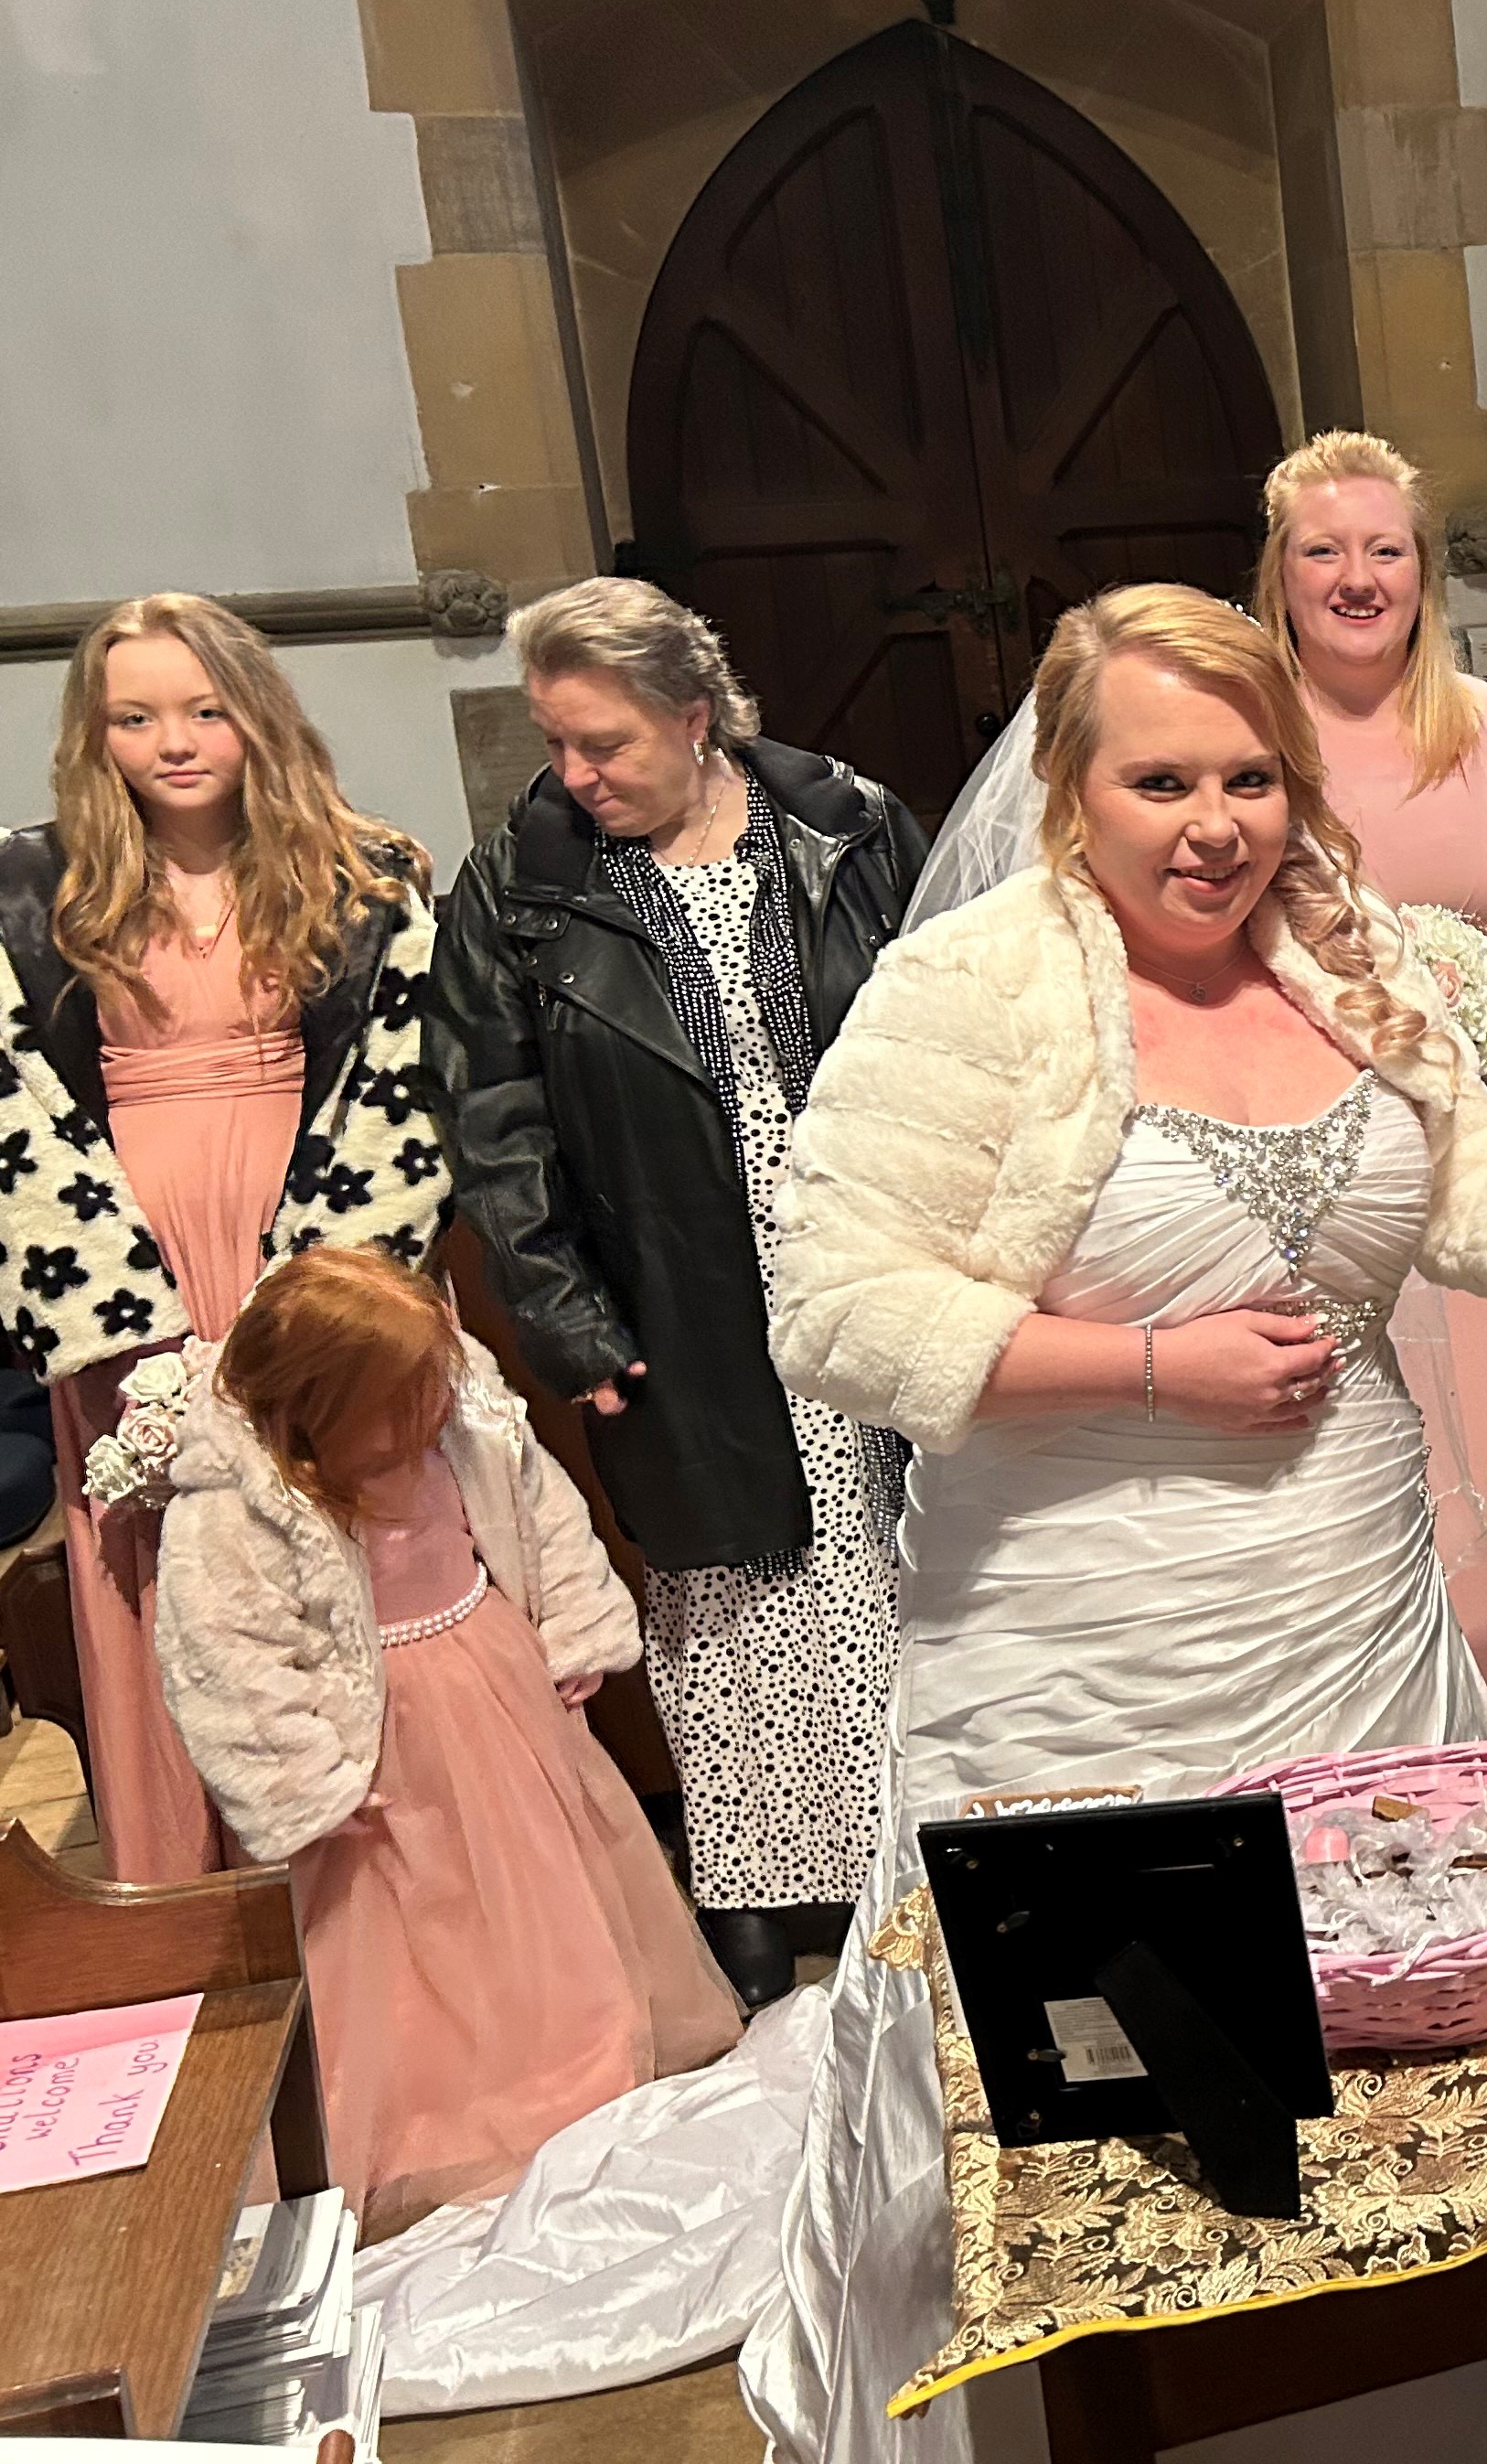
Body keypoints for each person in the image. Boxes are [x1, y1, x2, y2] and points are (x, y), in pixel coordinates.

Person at [741, 584, 1487, 2464]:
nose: (1215, 823)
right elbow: (830, 1311)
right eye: (1160, 780)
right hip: (1083, 1668)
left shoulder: (1347, 953)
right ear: (1069, 788)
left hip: (1358, 1620)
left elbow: (1475, 1216)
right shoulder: (970, 992)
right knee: (1146, 2171)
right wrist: (1149, 1364)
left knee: (1416, 2112)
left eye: (1248, 774)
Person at [425, 581, 928, 2013]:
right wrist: (567, 1322)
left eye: (605, 744)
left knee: (897, 1569)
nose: (574, 776)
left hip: (864, 1251)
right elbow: (495, 1130)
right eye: (557, 744)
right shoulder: (523, 886)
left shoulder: (848, 826)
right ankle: (761, 1896)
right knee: (733, 1587)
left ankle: (920, 1855)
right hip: (675, 1272)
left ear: (694, 717)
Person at [151, 1245, 739, 2238]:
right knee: (421, 1924)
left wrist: (575, 1625)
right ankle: (441, 2117)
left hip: (495, 1689)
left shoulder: (466, 1429)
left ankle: (576, 2062)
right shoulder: (240, 1511)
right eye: (397, 1400)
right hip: (376, 1742)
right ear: (314, 1408)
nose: (429, 1412)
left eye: (433, 1387)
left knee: (545, 1887)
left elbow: (542, 1514)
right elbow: (228, 1654)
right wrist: (301, 1778)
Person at [0, 594, 446, 1882]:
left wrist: (334, 1276)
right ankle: (196, 1884)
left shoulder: (365, 873)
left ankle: (384, 1855)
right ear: (96, 735)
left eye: (202, 709)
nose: (173, 741)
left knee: (346, 1505)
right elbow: (14, 1103)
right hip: (122, 1242)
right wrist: (97, 1292)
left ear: (256, 712)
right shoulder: (34, 887)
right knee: (158, 1545)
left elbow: (399, 1078)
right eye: (134, 717)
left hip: (307, 1224)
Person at [1264, 426, 1487, 1732]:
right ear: (1276, 572)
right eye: (1323, 550)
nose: (1356, 576)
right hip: (1325, 1171)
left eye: (1384, 549)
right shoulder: (1245, 742)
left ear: (1422, 570)